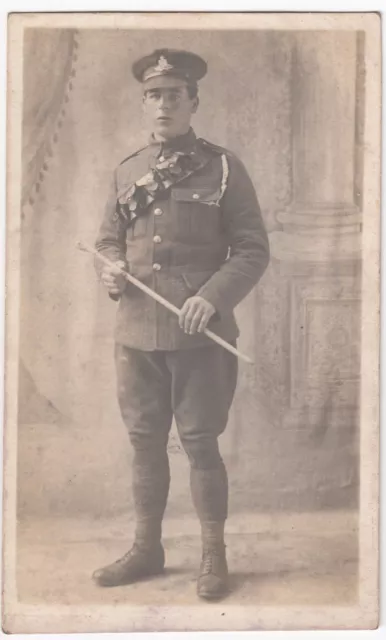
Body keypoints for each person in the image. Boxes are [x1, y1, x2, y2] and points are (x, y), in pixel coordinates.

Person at [93, 48, 270, 599]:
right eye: (153, 95)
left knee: (199, 443)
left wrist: (213, 298)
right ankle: (148, 548)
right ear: (144, 104)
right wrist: (112, 269)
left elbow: (251, 249)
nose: (163, 104)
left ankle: (213, 556)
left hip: (200, 334)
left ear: (193, 102)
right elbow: (106, 241)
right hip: (137, 331)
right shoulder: (127, 171)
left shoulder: (222, 166)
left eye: (174, 94)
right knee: (145, 443)